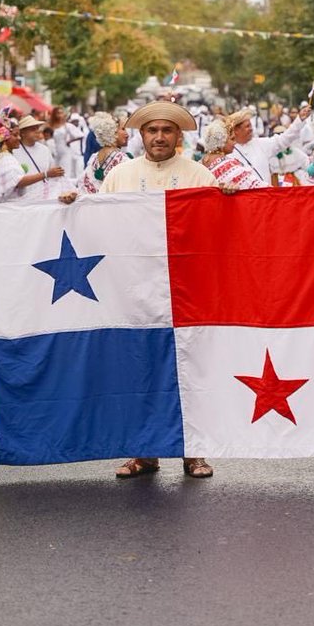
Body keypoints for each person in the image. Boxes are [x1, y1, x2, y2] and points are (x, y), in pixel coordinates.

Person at [81, 101, 216, 479]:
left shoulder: (199, 175)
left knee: (189, 372)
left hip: (186, 290)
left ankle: (194, 452)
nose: (159, 137)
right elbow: (94, 222)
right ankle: (143, 451)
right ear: (141, 135)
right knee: (138, 371)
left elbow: (217, 229)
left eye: (167, 130)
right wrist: (69, 207)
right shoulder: (120, 176)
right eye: (152, 130)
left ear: (178, 136)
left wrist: (229, 200)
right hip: (133, 291)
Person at [227, 106, 310, 184]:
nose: (251, 129)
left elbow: (283, 139)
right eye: (247, 126)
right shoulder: (229, 152)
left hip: (266, 193)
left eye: (251, 125)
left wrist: (299, 120)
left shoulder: (260, 144)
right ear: (236, 130)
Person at [199, 119, 266, 189]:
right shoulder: (229, 165)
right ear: (222, 141)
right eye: (232, 139)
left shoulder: (201, 163)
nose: (235, 143)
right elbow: (257, 187)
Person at [79, 112, 131, 195]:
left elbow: (83, 185)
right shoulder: (123, 160)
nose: (127, 134)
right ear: (112, 132)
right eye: (123, 129)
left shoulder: (94, 157)